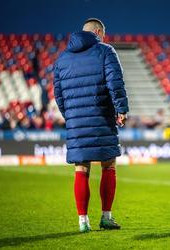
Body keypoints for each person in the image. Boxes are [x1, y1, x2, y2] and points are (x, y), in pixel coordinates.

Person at [53, 18, 129, 232]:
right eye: (102, 34)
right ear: (97, 32)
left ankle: (82, 221)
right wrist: (121, 110)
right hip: (102, 117)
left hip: (76, 122)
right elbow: (115, 82)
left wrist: (70, 116)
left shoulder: (62, 59)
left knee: (81, 168)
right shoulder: (105, 51)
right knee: (109, 164)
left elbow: (58, 94)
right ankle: (106, 217)